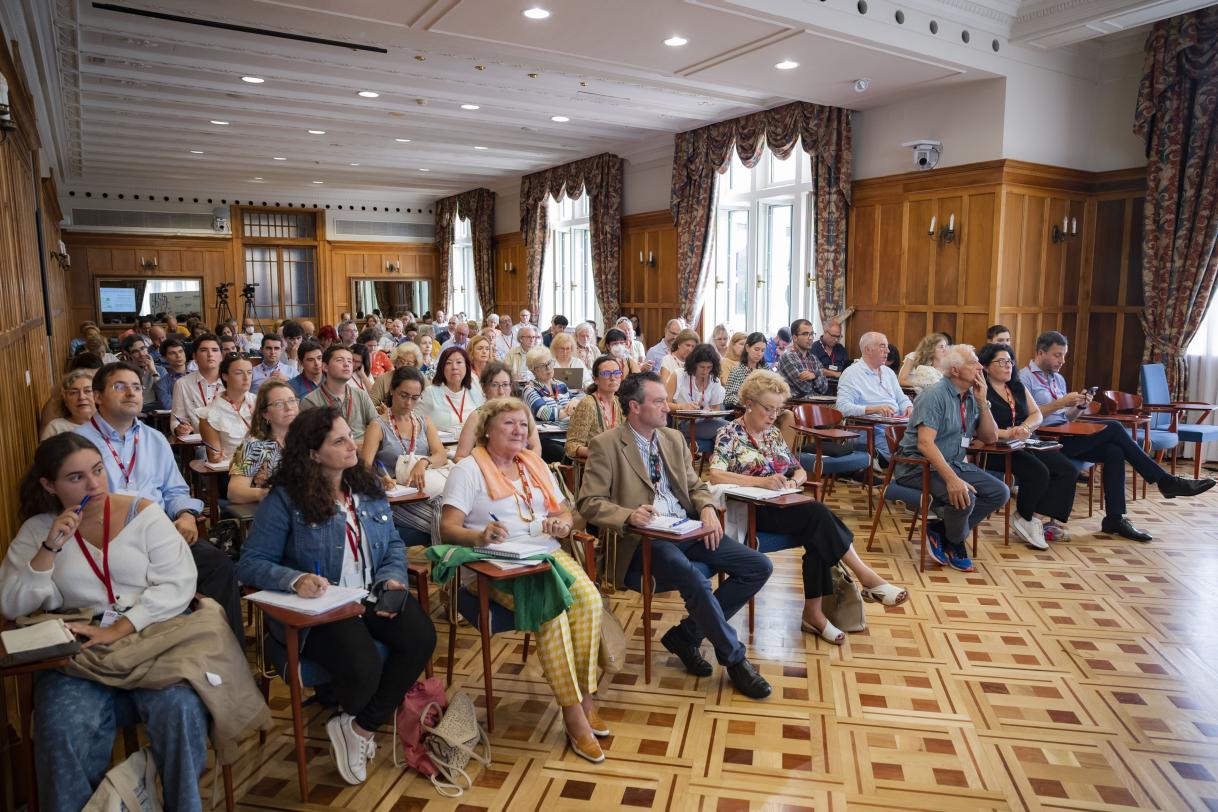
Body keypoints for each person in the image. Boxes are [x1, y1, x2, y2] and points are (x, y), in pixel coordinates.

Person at [0, 433, 210, 812]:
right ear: (49, 485)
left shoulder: (143, 513)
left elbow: (180, 583)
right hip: (80, 652)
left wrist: (120, 627)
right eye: (76, 477)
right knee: (60, 727)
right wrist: (49, 550)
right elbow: (12, 604)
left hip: (152, 639)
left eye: (98, 470)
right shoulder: (38, 530)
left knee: (181, 709)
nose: (94, 484)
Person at [237, 407, 436, 785]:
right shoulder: (285, 499)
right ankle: (358, 719)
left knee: (421, 636)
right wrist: (295, 580)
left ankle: (358, 728)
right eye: (339, 440)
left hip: (370, 594)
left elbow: (392, 543)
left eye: (351, 435)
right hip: (321, 608)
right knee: (363, 666)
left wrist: (393, 576)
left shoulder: (367, 486)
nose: (353, 445)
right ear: (313, 453)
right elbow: (251, 563)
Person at [576, 372, 773, 700]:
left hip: (687, 528)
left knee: (758, 566)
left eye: (665, 400)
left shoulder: (672, 438)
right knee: (693, 577)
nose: (667, 407)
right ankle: (735, 659)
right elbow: (589, 502)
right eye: (658, 401)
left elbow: (695, 486)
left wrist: (708, 508)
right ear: (635, 407)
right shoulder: (607, 445)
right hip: (644, 539)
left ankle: (687, 635)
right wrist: (627, 515)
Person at [439, 397, 607, 762]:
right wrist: (480, 535)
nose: (520, 431)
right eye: (509, 424)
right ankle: (573, 714)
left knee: (591, 601)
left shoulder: (535, 464)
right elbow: (448, 528)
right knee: (553, 614)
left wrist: (563, 523)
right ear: (487, 430)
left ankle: (586, 695)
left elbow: (567, 512)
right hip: (495, 566)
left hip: (544, 556)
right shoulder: (468, 470)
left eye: (523, 424)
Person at [709, 371, 907, 644]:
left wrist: (793, 481)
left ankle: (814, 614)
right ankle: (866, 579)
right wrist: (763, 482)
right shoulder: (729, 433)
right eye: (768, 408)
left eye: (778, 410)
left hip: (784, 505)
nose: (772, 415)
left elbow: (799, 470)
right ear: (749, 403)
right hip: (753, 510)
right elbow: (715, 475)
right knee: (817, 515)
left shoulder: (773, 434)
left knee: (818, 534)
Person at [77, 362, 243, 638]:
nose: (131, 393)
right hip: (108, 537)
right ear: (97, 396)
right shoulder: (78, 442)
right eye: (119, 387)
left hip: (161, 531)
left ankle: (228, 657)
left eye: (135, 387)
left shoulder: (154, 439)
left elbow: (175, 490)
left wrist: (186, 514)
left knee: (218, 566)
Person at [1018, 331, 1214, 541]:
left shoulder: (1058, 379)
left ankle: (1115, 518)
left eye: (1064, 355)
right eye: (1057, 355)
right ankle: (1165, 480)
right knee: (1113, 427)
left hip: (1066, 434)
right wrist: (1060, 403)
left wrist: (1079, 406)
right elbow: (1025, 417)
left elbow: (1068, 418)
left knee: (1114, 451)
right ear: (1041, 352)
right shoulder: (1023, 378)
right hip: (1044, 441)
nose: (1062, 361)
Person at [893, 345, 1010, 571]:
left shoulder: (972, 396)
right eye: (973, 362)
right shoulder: (934, 395)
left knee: (1000, 492)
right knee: (965, 497)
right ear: (955, 370)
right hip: (918, 466)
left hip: (953, 462)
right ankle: (955, 543)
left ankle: (942, 531)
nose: (979, 366)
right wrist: (952, 479)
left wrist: (983, 402)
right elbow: (925, 444)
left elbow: (990, 436)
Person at [978, 343, 1078, 548]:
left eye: (1010, 361)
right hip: (997, 447)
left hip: (1024, 441)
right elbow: (979, 429)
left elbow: (1037, 414)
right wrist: (1010, 433)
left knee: (1067, 470)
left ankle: (1034, 518)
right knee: (1038, 472)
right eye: (1001, 361)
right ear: (986, 366)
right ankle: (1025, 516)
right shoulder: (981, 391)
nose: (1008, 366)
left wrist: (1024, 428)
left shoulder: (1016, 386)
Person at [361, 366, 448, 543]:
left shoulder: (423, 422)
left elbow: (441, 455)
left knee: (451, 516)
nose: (408, 403)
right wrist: (380, 480)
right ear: (392, 390)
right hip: (397, 499)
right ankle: (443, 566)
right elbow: (364, 468)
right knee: (443, 523)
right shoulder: (378, 427)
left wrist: (423, 462)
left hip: (424, 492)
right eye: (403, 395)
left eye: (415, 398)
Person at [835, 332, 913, 465]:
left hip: (898, 426)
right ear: (867, 350)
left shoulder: (888, 372)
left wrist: (908, 407)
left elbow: (901, 398)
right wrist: (872, 409)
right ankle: (873, 460)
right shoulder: (852, 374)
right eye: (882, 346)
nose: (888, 351)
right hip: (872, 429)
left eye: (887, 346)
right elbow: (842, 408)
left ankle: (877, 461)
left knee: (924, 444)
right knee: (907, 456)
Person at [453, 363, 544, 461]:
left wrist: (527, 466)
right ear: (484, 388)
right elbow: (460, 456)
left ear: (511, 386)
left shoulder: (523, 412)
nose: (501, 391)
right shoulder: (477, 416)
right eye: (494, 385)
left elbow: (536, 447)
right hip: (487, 471)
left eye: (505, 385)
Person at [228, 380, 298, 504]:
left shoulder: (309, 439)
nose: (289, 408)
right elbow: (234, 492)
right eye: (279, 404)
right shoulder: (251, 445)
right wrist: (266, 493)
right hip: (275, 512)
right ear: (265, 414)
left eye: (292, 401)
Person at [300, 345, 378, 441]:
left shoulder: (361, 395)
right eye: (340, 360)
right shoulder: (311, 401)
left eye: (350, 361)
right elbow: (311, 440)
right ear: (325, 367)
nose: (347, 364)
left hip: (365, 449)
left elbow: (377, 425)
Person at [522, 346, 580, 462]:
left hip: (568, 435)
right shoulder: (530, 389)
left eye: (550, 363)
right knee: (567, 456)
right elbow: (545, 413)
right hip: (546, 439)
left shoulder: (561, 385)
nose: (548, 368)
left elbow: (579, 402)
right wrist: (568, 410)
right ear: (533, 370)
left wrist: (576, 401)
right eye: (543, 366)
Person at [565, 355, 625, 461]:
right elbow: (571, 446)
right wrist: (597, 452)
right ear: (595, 379)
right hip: (594, 465)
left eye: (616, 373)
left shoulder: (620, 403)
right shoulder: (588, 404)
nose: (612, 378)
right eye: (606, 374)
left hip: (617, 462)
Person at [666, 343, 728, 443]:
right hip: (682, 423)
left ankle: (716, 456)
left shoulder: (714, 380)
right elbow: (664, 405)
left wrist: (709, 412)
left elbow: (716, 409)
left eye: (709, 367)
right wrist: (682, 407)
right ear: (694, 363)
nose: (705, 371)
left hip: (705, 422)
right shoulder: (678, 375)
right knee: (730, 428)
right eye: (702, 367)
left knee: (724, 434)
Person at [199, 353, 256, 462]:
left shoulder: (260, 402)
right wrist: (217, 457)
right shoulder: (209, 414)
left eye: (249, 372)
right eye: (239, 373)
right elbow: (215, 458)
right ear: (225, 376)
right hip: (232, 470)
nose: (246, 378)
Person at [419, 346, 485, 434]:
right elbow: (415, 422)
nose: (454, 367)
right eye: (449, 363)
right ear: (442, 368)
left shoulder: (475, 391)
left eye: (459, 362)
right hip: (441, 446)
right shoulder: (431, 393)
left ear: (466, 366)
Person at [171, 333, 223, 437]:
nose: (210, 354)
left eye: (215, 350)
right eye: (204, 350)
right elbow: (176, 420)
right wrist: (180, 428)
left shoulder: (231, 382)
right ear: (194, 356)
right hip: (198, 443)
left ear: (221, 356)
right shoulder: (182, 384)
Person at [777, 318, 829, 398]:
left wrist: (814, 375)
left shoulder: (813, 358)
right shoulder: (787, 357)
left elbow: (824, 389)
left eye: (812, 334)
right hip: (795, 405)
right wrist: (818, 375)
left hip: (816, 403)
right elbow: (804, 388)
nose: (811, 338)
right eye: (805, 334)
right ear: (795, 337)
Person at [41, 369, 96, 440]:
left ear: (98, 396)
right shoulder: (55, 428)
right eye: (73, 392)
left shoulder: (108, 423)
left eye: (88, 391)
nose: (81, 397)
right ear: (65, 400)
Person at [724, 332, 767, 409]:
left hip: (765, 407)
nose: (759, 354)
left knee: (787, 414)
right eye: (756, 349)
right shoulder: (737, 370)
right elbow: (728, 398)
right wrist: (745, 402)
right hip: (745, 410)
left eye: (763, 350)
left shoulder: (766, 369)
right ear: (747, 348)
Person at [119, 333, 160, 411]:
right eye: (135, 351)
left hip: (153, 408)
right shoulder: (123, 371)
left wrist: (153, 370)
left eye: (143, 348)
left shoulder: (159, 369)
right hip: (131, 408)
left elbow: (162, 392)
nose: (141, 354)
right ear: (128, 354)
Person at [154, 336, 189, 411]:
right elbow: (169, 406)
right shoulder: (161, 384)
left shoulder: (199, 374)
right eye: (172, 353)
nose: (178, 356)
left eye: (180, 351)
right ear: (164, 358)